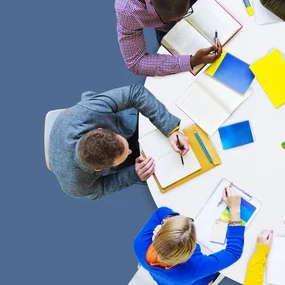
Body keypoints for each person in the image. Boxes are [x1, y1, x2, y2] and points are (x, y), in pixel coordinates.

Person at [48, 85, 189, 200]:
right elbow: (100, 189)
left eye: (125, 148)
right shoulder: (76, 186)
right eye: (126, 153)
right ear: (99, 169)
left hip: (123, 124)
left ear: (100, 128)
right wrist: (133, 173)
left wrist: (171, 129)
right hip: (124, 166)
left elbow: (135, 93)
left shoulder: (88, 111)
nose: (130, 152)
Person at [134, 187, 245, 285]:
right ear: (192, 249)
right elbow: (234, 252)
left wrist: (166, 222)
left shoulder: (139, 244)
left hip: (168, 282)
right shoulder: (194, 267)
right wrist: (235, 209)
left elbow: (161, 212)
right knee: (208, 281)